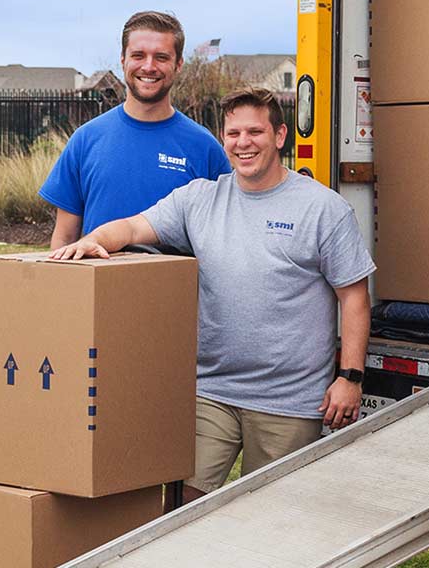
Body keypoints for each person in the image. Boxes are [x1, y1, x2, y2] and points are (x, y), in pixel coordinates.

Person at [49, 86, 373, 499]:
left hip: (288, 400)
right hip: (211, 392)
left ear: (279, 136)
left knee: (274, 517)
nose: (243, 143)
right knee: (185, 506)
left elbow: (354, 298)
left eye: (254, 132)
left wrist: (349, 378)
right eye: (233, 134)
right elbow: (131, 227)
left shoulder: (322, 209)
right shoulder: (200, 199)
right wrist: (93, 240)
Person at [39, 11, 231, 248]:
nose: (148, 66)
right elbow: (64, 239)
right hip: (100, 284)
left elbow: (223, 241)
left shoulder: (204, 148)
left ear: (178, 64)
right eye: (138, 55)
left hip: (177, 285)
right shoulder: (86, 140)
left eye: (161, 57)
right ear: (123, 60)